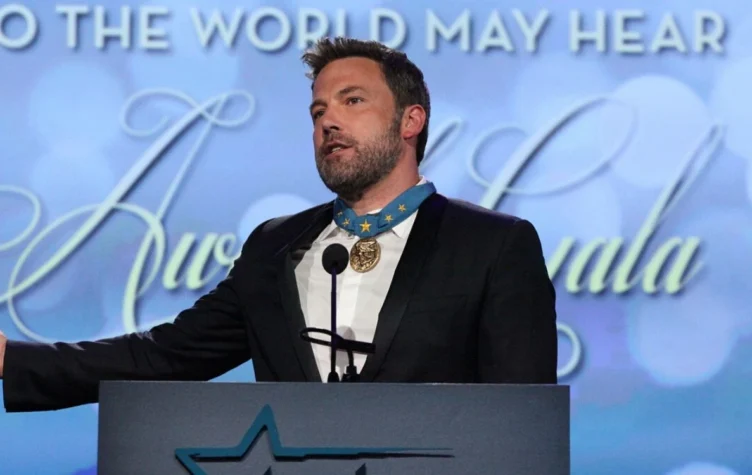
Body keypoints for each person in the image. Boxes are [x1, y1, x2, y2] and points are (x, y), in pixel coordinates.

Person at [0, 37, 557, 413]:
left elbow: (522, 420)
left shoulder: (493, 245)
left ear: (411, 120)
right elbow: (164, 356)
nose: (329, 120)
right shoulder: (275, 246)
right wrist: (11, 359)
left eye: (352, 100)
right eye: (318, 111)